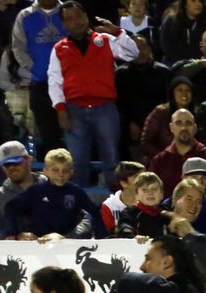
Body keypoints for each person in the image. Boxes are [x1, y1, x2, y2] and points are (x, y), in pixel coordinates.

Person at [47, 1, 139, 186]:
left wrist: (118, 32)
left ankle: (116, 205)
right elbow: (55, 81)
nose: (76, 22)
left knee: (111, 159)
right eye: (70, 19)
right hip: (74, 109)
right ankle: (79, 206)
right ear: (64, 24)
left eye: (79, 16)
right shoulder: (59, 48)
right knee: (77, 161)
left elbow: (133, 53)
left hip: (105, 107)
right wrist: (60, 108)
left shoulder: (105, 40)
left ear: (86, 16)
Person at [11, 0, 66, 159]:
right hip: (40, 83)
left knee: (74, 132)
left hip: (69, 84)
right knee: (47, 135)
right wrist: (33, 67)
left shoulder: (68, 11)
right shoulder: (25, 15)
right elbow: (18, 46)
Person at [6, 148, 100, 240]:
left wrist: (102, 238)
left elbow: (95, 212)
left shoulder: (76, 192)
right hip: (40, 244)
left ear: (71, 173)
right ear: (45, 171)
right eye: (55, 170)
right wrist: (14, 233)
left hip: (67, 244)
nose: (60, 174)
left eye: (65, 170)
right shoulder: (36, 190)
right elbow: (10, 207)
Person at [148, 107, 206, 197]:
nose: (184, 128)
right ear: (171, 127)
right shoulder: (159, 161)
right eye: (179, 123)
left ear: (195, 128)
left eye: (188, 123)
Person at [0, 142, 50, 239]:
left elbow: (78, 221)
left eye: (16, 162)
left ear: (29, 159)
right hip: (15, 253)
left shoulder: (52, 186)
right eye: (6, 165)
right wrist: (16, 238)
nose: (11, 168)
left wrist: (60, 237)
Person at [141, 76, 196, 160]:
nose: (184, 93)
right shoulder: (160, 113)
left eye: (188, 90)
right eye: (180, 90)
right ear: (172, 93)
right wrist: (165, 158)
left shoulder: (198, 113)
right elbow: (146, 143)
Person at [114, 171, 169, 238]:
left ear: (162, 194)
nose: (150, 193)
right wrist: (134, 237)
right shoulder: (130, 213)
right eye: (144, 190)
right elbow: (124, 228)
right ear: (136, 195)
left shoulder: (167, 213)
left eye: (154, 189)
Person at [159, 0, 206, 65]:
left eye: (200, 1)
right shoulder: (170, 21)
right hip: (173, 64)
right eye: (193, 1)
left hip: (199, 65)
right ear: (184, 4)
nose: (198, 4)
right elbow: (166, 45)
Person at [100, 160, 145, 233]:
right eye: (137, 177)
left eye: (144, 177)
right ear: (124, 183)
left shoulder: (148, 201)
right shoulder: (109, 206)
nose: (143, 181)